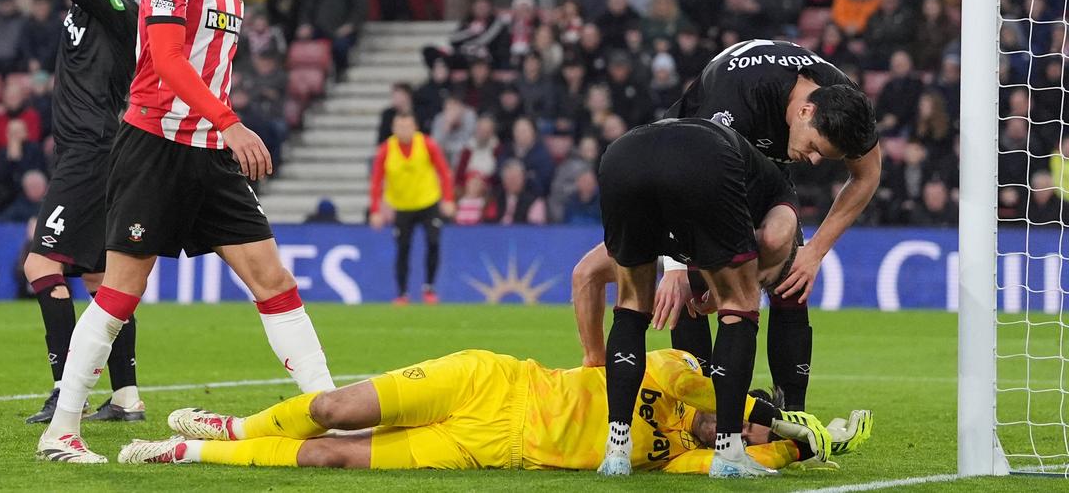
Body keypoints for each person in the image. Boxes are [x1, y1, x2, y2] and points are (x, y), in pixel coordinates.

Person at [35, 0, 335, 464]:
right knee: (122, 291)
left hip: (210, 152)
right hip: (155, 147)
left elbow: (207, 68)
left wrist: (222, 126)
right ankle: (61, 432)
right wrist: (231, 122)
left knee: (273, 281)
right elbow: (167, 60)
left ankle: (330, 414)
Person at [574, 40, 879, 417]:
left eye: (825, 156)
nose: (815, 162)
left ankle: (793, 415)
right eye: (815, 148)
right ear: (804, 111)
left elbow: (867, 176)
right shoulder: (738, 93)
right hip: (685, 159)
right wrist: (675, 264)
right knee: (692, 283)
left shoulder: (844, 105)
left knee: (790, 279)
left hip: (758, 168)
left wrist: (814, 252)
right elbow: (689, 182)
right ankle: (701, 411)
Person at [120, 347, 860, 472]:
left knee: (331, 453)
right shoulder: (675, 374)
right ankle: (238, 425)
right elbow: (703, 376)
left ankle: (189, 451)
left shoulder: (687, 456)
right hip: (492, 383)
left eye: (735, 431)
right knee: (335, 406)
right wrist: (760, 407)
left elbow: (744, 460)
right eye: (732, 416)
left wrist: (794, 446)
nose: (722, 427)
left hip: (491, 450)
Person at [0, 0, 148, 425]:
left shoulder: (125, 13)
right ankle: (127, 397)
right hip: (93, 155)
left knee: (41, 265)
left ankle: (66, 390)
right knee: (96, 276)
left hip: (91, 152)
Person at [594, 118, 837, 478]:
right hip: (700, 158)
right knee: (740, 309)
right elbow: (773, 240)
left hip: (620, 157)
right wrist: (749, 283)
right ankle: (729, 452)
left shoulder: (740, 158)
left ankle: (616, 452)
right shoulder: (779, 194)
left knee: (630, 306)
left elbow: (586, 275)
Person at [368, 111, 456, 305]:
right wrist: (375, 210)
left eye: (407, 126)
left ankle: (430, 288)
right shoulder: (386, 149)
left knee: (433, 242)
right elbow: (376, 181)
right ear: (393, 128)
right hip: (402, 206)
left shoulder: (427, 144)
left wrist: (448, 199)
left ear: (415, 127)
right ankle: (402, 293)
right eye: (400, 127)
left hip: (428, 202)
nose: (404, 131)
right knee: (402, 248)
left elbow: (444, 172)